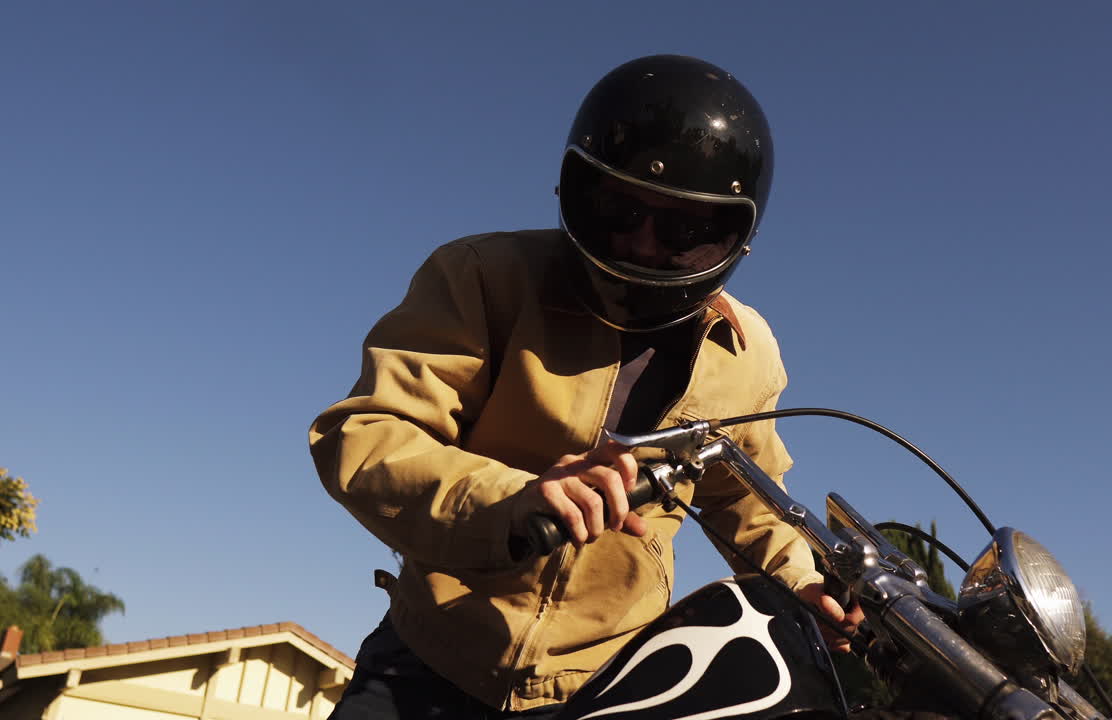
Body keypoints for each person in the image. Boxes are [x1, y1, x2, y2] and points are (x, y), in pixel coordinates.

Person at [310, 54, 861, 719]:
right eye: (618, 209)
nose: (646, 246)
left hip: (608, 683)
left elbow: (746, 502)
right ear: (576, 190)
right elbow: (368, 437)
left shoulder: (748, 353)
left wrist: (803, 585)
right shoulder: (484, 276)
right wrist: (516, 501)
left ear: (734, 235)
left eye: (684, 228)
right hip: (433, 654)